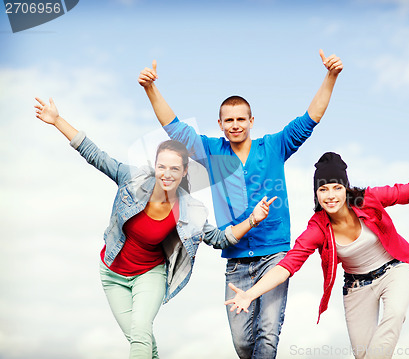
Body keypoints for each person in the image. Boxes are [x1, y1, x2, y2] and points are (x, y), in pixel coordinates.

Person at [33, 97, 277, 359]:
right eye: (162, 166)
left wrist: (252, 220)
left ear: (185, 172)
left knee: (140, 333)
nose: (167, 174)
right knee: (143, 340)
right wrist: (57, 120)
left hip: (150, 274)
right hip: (112, 273)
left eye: (174, 168)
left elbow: (219, 238)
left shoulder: (190, 211)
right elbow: (96, 155)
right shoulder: (134, 180)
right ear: (155, 167)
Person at [137, 50, 343, 358]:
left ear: (251, 121)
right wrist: (150, 88)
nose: (235, 125)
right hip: (236, 262)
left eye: (241, 119)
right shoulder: (212, 151)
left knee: (268, 335)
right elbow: (175, 127)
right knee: (243, 344)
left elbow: (310, 118)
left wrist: (331, 76)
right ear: (220, 123)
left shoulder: (274, 146)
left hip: (274, 256)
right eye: (229, 120)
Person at [225, 151, 409, 359]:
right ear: (317, 194)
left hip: (394, 270)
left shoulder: (368, 200)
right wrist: (250, 293)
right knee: (365, 354)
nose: (331, 195)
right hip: (357, 288)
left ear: (346, 188)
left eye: (336, 187)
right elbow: (288, 265)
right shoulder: (318, 227)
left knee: (395, 315)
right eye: (323, 189)